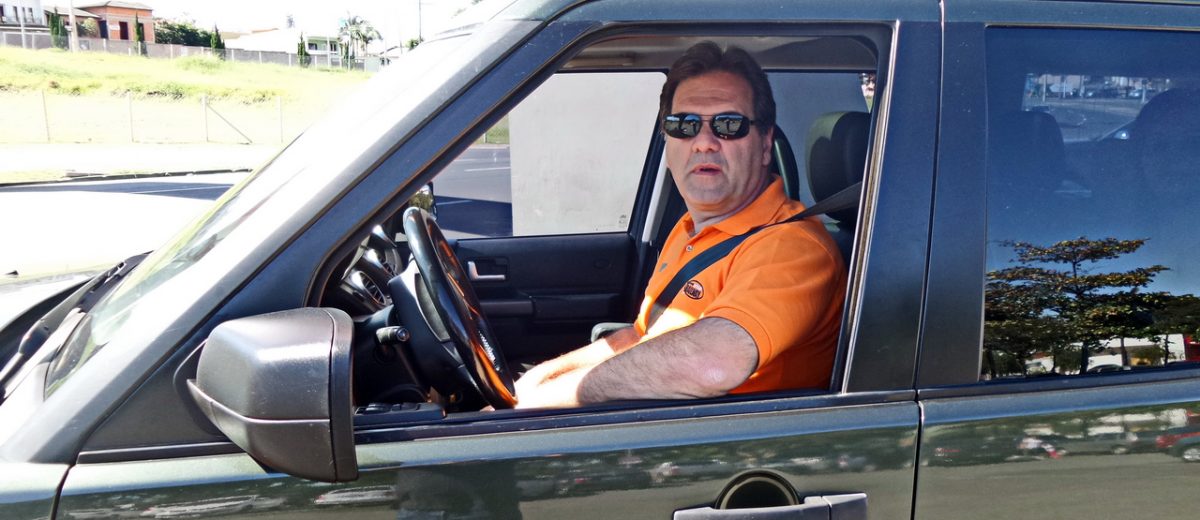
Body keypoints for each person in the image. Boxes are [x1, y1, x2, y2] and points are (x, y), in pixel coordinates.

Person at [514, 42, 846, 409]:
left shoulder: (793, 247)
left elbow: (713, 363)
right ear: (668, 141)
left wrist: (543, 403)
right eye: (684, 125)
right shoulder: (691, 226)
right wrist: (530, 386)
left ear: (765, 144)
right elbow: (641, 335)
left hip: (724, 439)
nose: (704, 143)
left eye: (728, 125)